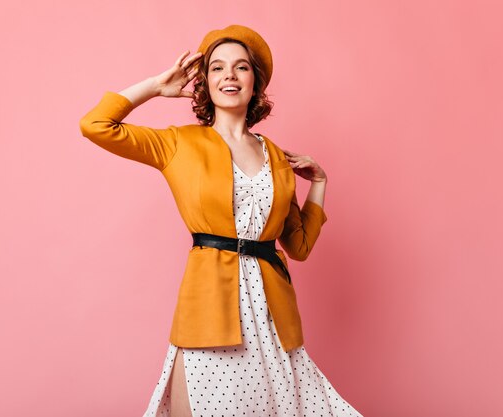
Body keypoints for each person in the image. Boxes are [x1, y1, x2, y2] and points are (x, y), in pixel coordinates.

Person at [80, 24, 363, 417]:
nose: (229, 75)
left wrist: (319, 184)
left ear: (255, 84)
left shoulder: (278, 157)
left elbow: (298, 247)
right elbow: (96, 125)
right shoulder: (179, 143)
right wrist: (155, 86)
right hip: (210, 312)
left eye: (241, 67)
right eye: (217, 67)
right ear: (204, 82)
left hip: (271, 321)